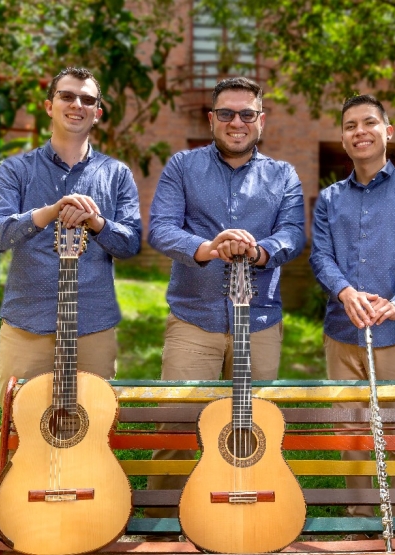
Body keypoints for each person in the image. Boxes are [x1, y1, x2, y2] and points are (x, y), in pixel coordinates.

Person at [146, 76, 306, 519]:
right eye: (227, 113)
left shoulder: (283, 176)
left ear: (261, 120)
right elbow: (160, 227)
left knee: (254, 432)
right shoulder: (182, 166)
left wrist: (259, 251)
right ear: (211, 118)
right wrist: (206, 248)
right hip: (193, 321)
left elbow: (293, 233)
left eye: (247, 114)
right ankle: (163, 523)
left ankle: (246, 518)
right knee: (177, 430)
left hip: (259, 324)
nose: (237, 122)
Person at [309, 94, 395, 518]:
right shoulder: (329, 199)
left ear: (388, 131)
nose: (359, 131)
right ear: (344, 139)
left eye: (369, 122)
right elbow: (320, 256)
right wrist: (345, 292)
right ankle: (361, 521)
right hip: (342, 336)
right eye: (350, 126)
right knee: (352, 438)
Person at [0, 67, 142, 406]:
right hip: (27, 324)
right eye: (67, 96)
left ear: (97, 113)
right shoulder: (15, 170)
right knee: (22, 435)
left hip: (93, 328)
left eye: (87, 100)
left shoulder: (116, 175)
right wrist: (49, 212)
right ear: (48, 106)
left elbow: (130, 244)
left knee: (92, 432)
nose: (76, 105)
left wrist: (97, 223)